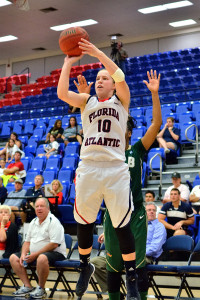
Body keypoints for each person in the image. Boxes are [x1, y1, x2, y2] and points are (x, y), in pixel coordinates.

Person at [57, 38, 139, 299]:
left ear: (113, 85)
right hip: (90, 168)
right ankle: (84, 266)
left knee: (121, 226)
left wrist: (96, 52)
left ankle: (133, 277)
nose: (101, 80)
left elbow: (121, 75)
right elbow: (62, 94)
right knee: (84, 222)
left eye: (105, 77)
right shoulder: (87, 102)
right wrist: (67, 63)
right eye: (98, 78)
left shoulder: (121, 101)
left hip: (116, 169)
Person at [73, 68, 161, 300]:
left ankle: (136, 297)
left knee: (137, 264)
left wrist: (154, 94)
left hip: (136, 214)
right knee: (112, 266)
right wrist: (84, 100)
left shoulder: (137, 150)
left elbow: (156, 123)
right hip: (112, 211)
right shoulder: (101, 151)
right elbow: (91, 125)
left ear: (128, 132)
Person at [91, 202, 166, 294]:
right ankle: (114, 292)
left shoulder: (159, 227)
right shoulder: (134, 224)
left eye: (154, 210)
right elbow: (120, 234)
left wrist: (133, 254)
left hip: (143, 256)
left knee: (132, 265)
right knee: (95, 262)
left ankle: (132, 294)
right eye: (149, 210)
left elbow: (154, 248)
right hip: (124, 254)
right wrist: (107, 233)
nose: (151, 212)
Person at [9, 197, 66, 298]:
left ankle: (41, 288)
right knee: (14, 257)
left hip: (56, 253)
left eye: (42, 206)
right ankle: (27, 286)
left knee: (42, 258)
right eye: (37, 206)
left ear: (48, 209)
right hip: (35, 254)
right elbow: (27, 242)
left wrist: (35, 255)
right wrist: (23, 254)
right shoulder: (33, 222)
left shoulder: (53, 221)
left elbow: (54, 244)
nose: (39, 208)